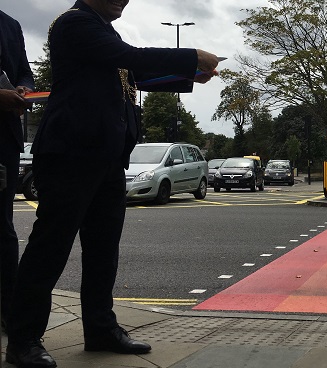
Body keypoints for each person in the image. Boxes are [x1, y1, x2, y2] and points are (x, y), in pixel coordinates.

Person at [5, 1, 219, 367]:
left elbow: (128, 72)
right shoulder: (74, 23)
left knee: (104, 248)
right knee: (50, 248)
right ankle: (23, 340)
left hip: (106, 153)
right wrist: (191, 56)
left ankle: (101, 329)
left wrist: (186, 78)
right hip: (70, 151)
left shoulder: (99, 27)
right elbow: (128, 55)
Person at [0, 9, 35, 334]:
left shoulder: (10, 24)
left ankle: (9, 312)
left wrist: (24, 88)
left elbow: (24, 71)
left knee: (3, 228)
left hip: (3, 141)